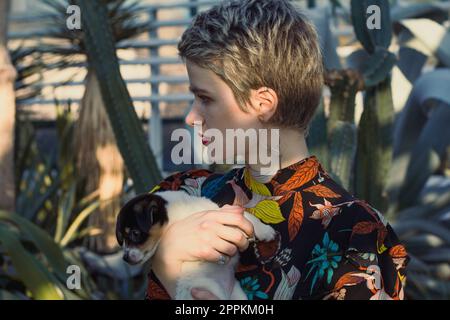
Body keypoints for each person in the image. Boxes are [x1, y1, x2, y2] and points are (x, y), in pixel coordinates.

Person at [146, 0, 409, 300]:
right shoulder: (185, 195)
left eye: (205, 98)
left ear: (263, 104)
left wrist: (171, 268)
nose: (191, 118)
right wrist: (165, 254)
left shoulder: (356, 235)